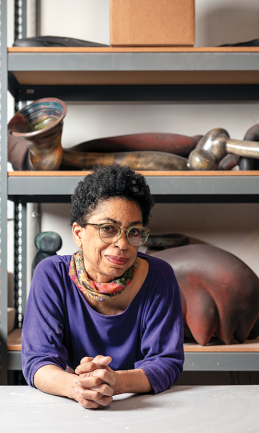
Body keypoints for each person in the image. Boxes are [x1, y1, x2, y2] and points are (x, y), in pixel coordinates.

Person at [21, 165, 184, 409]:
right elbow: (38, 361)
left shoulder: (159, 278)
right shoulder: (51, 275)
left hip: (139, 410)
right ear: (78, 233)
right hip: (68, 409)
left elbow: (166, 362)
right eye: (108, 229)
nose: (122, 244)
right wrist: (79, 388)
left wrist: (115, 382)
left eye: (134, 232)